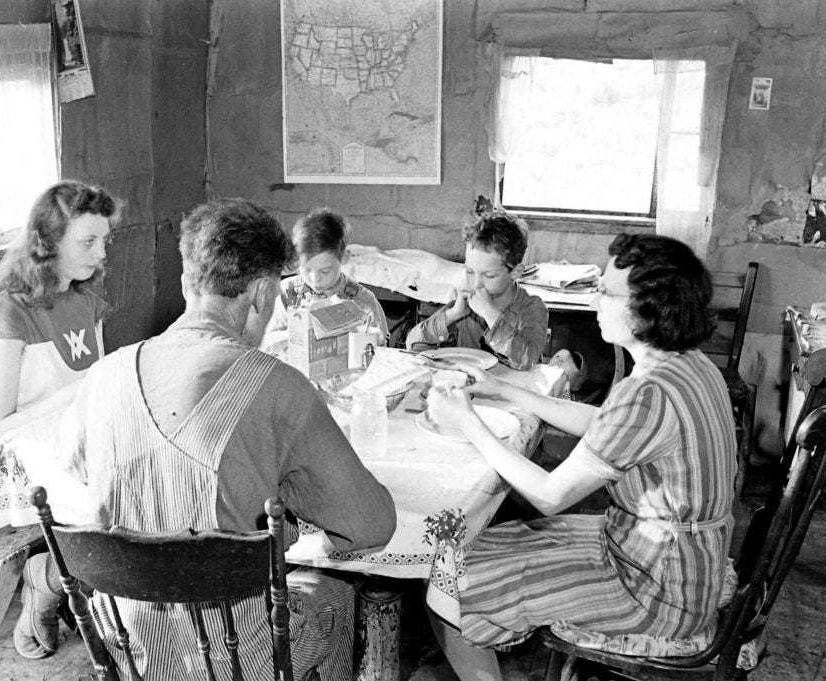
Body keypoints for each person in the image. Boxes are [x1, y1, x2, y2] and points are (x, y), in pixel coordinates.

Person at [55, 198, 397, 679]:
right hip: (239, 663)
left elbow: (74, 468)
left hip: (134, 652)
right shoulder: (279, 386)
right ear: (262, 293)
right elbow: (370, 526)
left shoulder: (103, 376)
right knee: (336, 595)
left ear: (185, 281)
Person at [425, 234, 736, 680]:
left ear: (649, 308)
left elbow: (550, 495)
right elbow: (604, 423)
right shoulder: (687, 364)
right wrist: (504, 390)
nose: (595, 299)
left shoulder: (648, 393)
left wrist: (467, 421)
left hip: (659, 588)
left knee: (450, 577)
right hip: (673, 559)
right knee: (475, 542)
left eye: (607, 291)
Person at [0, 179, 120, 659]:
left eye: (104, 240)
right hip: (27, 452)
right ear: (47, 243)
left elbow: (96, 392)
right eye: (87, 242)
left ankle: (92, 597)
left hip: (78, 434)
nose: (100, 253)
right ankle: (49, 579)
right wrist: (87, 386)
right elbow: (2, 427)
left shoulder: (87, 300)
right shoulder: (8, 316)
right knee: (116, 503)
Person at [405, 212, 547, 370]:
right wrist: (452, 315)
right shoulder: (466, 301)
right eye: (470, 272)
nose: (477, 284)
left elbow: (527, 360)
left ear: (516, 272)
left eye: (489, 275)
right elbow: (413, 342)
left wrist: (490, 314)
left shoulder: (532, 307)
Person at [264, 207, 389, 343]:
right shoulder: (287, 293)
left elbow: (379, 350)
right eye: (306, 270)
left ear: (344, 258)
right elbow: (269, 340)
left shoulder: (364, 302)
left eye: (325, 271)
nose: (315, 280)